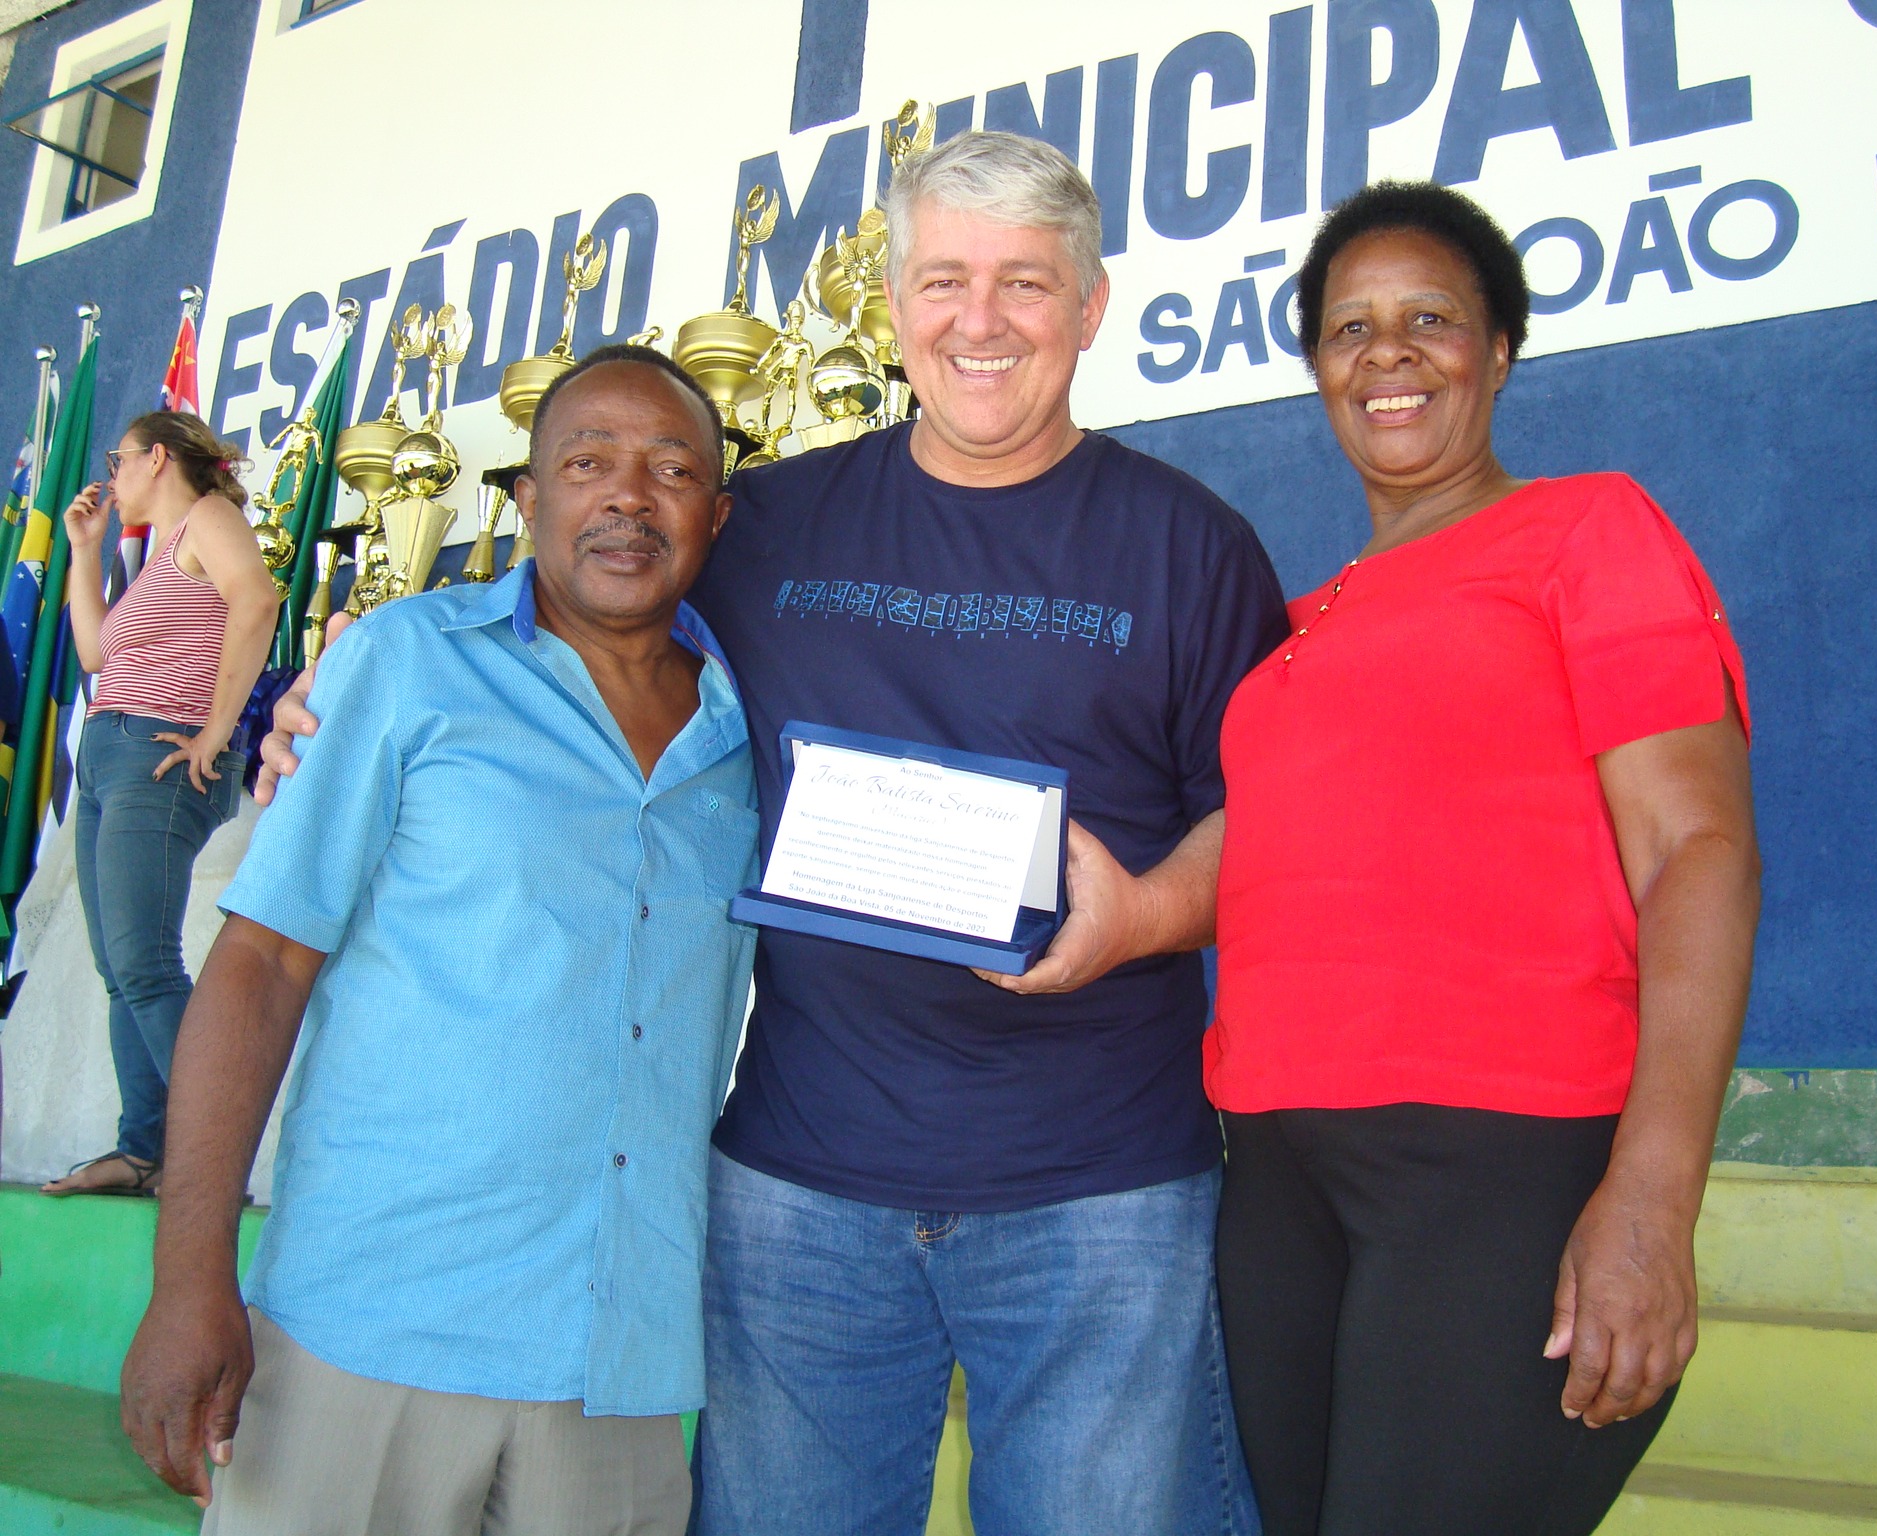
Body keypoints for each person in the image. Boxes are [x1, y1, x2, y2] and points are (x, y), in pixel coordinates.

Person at [264, 133, 1284, 1536]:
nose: (978, 322)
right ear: (896, 304)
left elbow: (1276, 829)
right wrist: (335, 692)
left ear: (1091, 308)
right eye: (943, 279)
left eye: (1025, 285)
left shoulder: (1197, 548)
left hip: (1096, 1195)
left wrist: (1150, 917)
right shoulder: (770, 528)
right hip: (800, 1192)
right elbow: (580, 613)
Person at [121, 347, 756, 1536]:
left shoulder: (749, 728)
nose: (627, 496)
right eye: (586, 463)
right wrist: (188, 1275)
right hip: (371, 1329)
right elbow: (260, 966)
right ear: (526, 499)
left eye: (669, 470)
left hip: (612, 1360)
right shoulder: (405, 665)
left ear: (714, 517)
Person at [1206, 179, 1762, 1535]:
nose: (1386, 352)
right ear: (1318, 369)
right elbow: (1230, 874)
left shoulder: (1585, 533)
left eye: (1430, 320)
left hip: (1498, 1177)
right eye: (1349, 329)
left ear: (1498, 351)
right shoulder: (1291, 626)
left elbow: (1699, 851)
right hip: (1275, 1183)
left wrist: (1651, 1197)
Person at [41, 413, 277, 1197]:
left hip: (159, 753)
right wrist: (84, 550)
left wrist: (217, 726)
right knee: (120, 966)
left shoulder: (210, 517)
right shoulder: (159, 554)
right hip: (110, 752)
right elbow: (95, 652)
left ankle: (210, 1162)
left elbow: (259, 600)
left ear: (158, 457)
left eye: (120, 459)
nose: (112, 474)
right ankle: (144, 1150)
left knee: (144, 960)